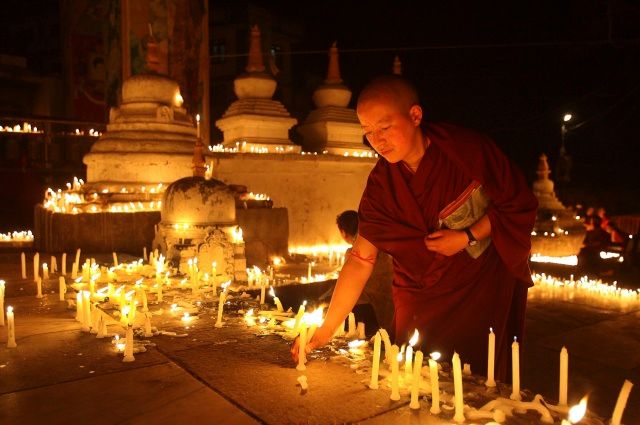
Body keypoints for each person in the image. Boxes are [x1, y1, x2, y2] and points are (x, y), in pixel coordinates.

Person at [291, 75, 538, 381]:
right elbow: (360, 259)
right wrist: (326, 329)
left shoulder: (465, 151)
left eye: (384, 127)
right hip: (416, 295)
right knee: (413, 377)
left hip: (477, 287)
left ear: (415, 116)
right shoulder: (382, 184)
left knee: (470, 381)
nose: (377, 141)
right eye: (368, 132)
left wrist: (467, 236)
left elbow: (517, 202)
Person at [320, 210, 394, 333]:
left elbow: (350, 285)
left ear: (343, 233)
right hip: (392, 305)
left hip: (372, 312)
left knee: (328, 304)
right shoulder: (381, 245)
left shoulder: (353, 253)